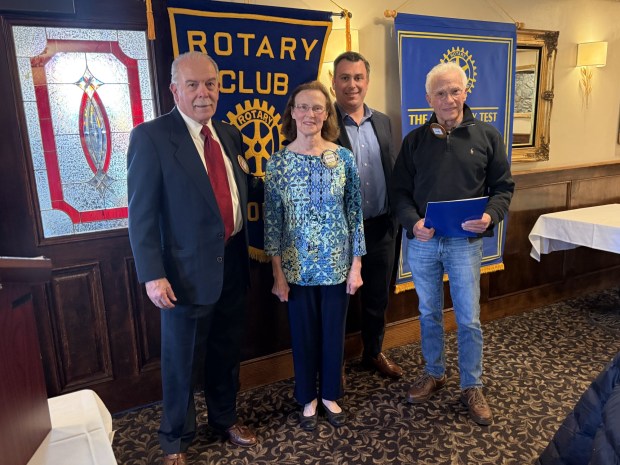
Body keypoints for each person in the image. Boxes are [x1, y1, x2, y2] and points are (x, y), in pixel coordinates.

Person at [127, 51, 257, 465]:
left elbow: (239, 193)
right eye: (193, 85)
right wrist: (152, 275)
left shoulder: (231, 135)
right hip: (182, 274)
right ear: (174, 90)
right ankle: (175, 441)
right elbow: (141, 215)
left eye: (211, 84)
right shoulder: (151, 138)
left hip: (233, 262)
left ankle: (224, 418)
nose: (204, 93)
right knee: (181, 362)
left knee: (226, 351)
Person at [391, 61, 515, 426]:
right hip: (425, 244)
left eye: (455, 91)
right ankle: (434, 371)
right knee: (428, 313)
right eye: (440, 93)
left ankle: (472, 384)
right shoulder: (414, 142)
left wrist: (490, 215)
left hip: (465, 245)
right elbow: (399, 194)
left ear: (466, 91)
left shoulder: (488, 136)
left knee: (469, 318)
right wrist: (413, 223)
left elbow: (504, 188)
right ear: (428, 98)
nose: (448, 99)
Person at [264, 80, 366, 430]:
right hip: (296, 267)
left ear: (327, 114)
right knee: (303, 334)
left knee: (333, 333)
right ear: (292, 112)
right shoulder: (277, 163)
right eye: (303, 107)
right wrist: (277, 272)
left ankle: (330, 395)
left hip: (338, 266)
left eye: (317, 108)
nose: (310, 114)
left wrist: (357, 264)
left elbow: (355, 213)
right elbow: (272, 222)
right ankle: (307, 396)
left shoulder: (343, 158)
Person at [332, 51, 403, 379]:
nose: (352, 85)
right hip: (340, 234)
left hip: (381, 228)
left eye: (358, 77)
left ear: (367, 82)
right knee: (339, 303)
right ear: (333, 83)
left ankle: (373, 352)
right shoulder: (325, 124)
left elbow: (393, 170)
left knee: (377, 297)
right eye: (344, 77)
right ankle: (336, 363)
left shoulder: (384, 122)